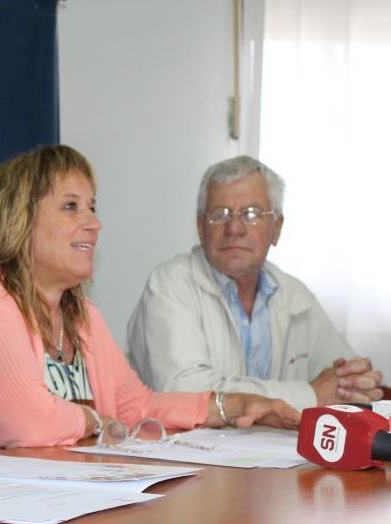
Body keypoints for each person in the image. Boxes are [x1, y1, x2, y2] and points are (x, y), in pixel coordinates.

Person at [0, 146, 299, 466]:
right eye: (71, 206)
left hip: (32, 507)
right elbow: (29, 427)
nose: (94, 223)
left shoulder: (82, 315)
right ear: (19, 218)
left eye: (92, 207)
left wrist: (230, 406)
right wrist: (95, 421)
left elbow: (135, 408)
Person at [127, 155, 383, 411]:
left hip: (271, 450)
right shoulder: (171, 285)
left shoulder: (294, 295)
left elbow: (342, 379)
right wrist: (308, 395)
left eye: (251, 214)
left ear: (277, 228)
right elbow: (183, 391)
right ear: (200, 227)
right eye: (220, 214)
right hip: (178, 449)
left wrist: (355, 382)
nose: (234, 228)